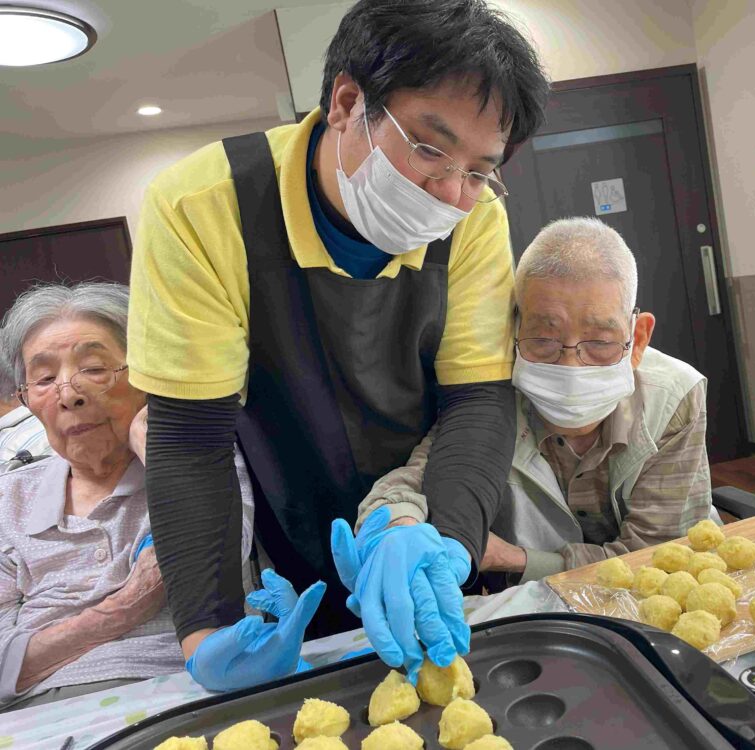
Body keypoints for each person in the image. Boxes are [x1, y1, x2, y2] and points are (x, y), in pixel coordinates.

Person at [127, 0, 549, 689]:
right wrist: (205, 627)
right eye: (430, 148)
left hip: (428, 496)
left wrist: (445, 542)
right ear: (349, 101)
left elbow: (477, 400)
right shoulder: (204, 205)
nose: (450, 193)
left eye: (480, 169)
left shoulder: (475, 218)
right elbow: (191, 436)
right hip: (291, 495)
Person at [356, 218, 713, 583]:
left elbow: (660, 557)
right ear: (513, 331)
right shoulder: (490, 394)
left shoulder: (673, 399)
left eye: (600, 343)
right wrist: (397, 529)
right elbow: (414, 480)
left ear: (637, 340)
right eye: (543, 340)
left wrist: (510, 557)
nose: (571, 365)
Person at [0, 283, 255, 711]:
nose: (68, 394)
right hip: (42, 714)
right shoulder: (11, 498)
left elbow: (219, 560)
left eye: (95, 368)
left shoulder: (203, 459)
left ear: (145, 372)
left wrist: (157, 447)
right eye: (44, 379)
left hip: (190, 692)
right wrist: (119, 609)